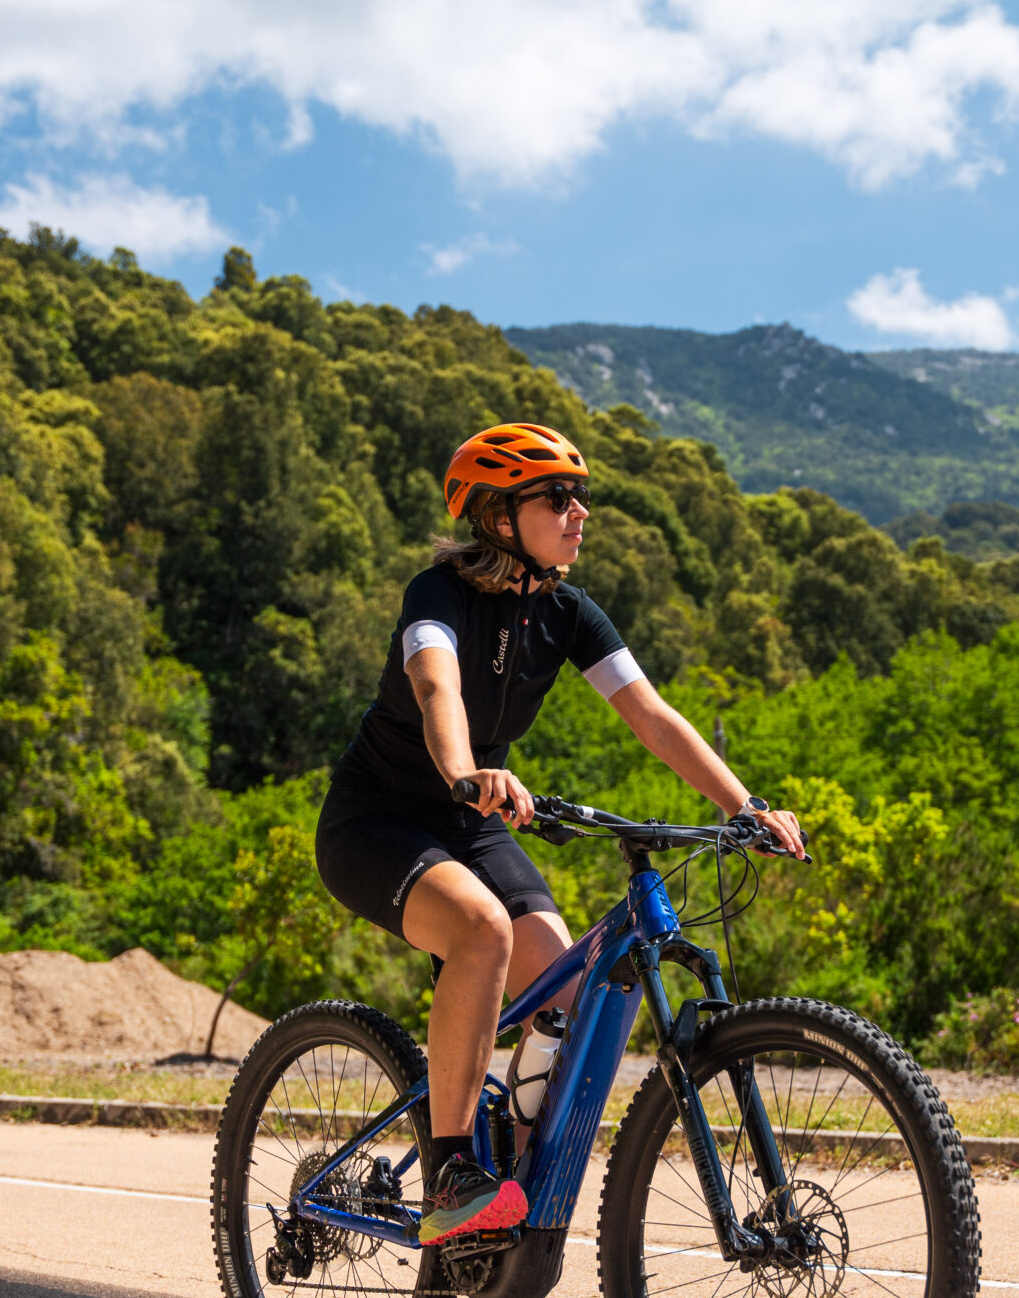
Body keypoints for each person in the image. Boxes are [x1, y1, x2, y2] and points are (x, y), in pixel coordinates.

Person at [314, 422, 805, 1245]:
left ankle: (506, 1160)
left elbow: (649, 713)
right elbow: (438, 689)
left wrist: (742, 805)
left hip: (469, 824)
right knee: (481, 930)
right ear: (501, 516)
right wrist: (468, 771)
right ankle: (450, 1175)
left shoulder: (568, 612)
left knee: (574, 998)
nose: (580, 512)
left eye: (582, 496)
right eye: (558, 497)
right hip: (379, 821)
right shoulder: (438, 596)